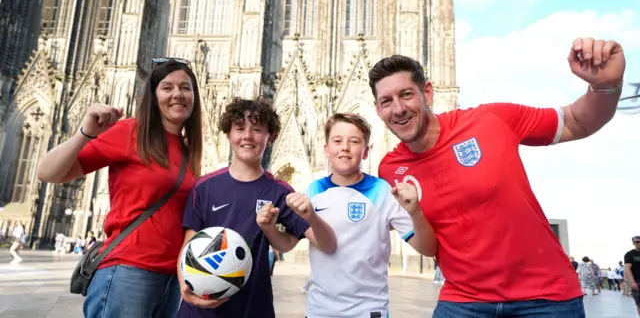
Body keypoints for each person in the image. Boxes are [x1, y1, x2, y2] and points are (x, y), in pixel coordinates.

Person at [370, 37, 626, 317]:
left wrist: (605, 86)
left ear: (427, 93)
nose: (398, 109)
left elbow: (578, 121)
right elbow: (429, 245)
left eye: (406, 95)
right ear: (378, 110)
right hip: (463, 302)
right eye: (387, 101)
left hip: (545, 300)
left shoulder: (489, 120)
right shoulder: (390, 169)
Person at [36, 58, 204, 318]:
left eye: (185, 88)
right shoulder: (130, 132)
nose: (177, 94)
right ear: (153, 95)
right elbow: (47, 172)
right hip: (128, 271)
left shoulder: (188, 151)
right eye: (167, 87)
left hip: (170, 280)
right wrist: (85, 132)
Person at [177, 97, 337, 318]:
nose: (247, 136)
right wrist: (187, 292)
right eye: (239, 128)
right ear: (228, 134)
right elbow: (188, 247)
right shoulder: (204, 187)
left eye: (257, 129)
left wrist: (309, 216)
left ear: (269, 137)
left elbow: (321, 243)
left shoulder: (279, 191)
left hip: (251, 309)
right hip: (198, 312)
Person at [297, 113, 435, 318]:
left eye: (354, 141)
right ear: (326, 149)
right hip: (319, 311)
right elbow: (288, 240)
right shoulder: (313, 191)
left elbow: (427, 248)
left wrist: (415, 212)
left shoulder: (382, 191)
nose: (345, 147)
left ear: (365, 152)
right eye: (337, 141)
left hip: (368, 312)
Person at [624, 236, 640, 316]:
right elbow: (627, 268)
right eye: (637, 242)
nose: (639, 243)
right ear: (633, 243)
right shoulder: (630, 254)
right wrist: (632, 282)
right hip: (638, 282)